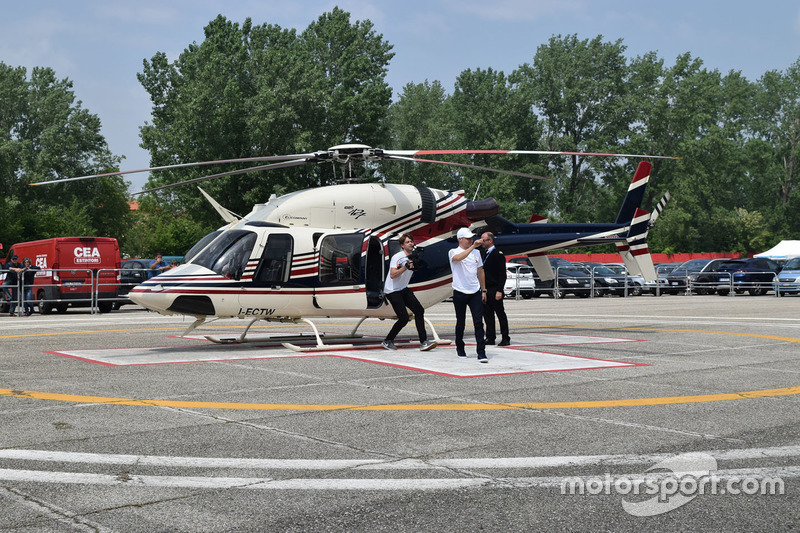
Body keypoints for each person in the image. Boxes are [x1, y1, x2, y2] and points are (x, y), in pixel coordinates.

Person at [382, 234, 436, 352]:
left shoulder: (413, 256)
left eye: (411, 241)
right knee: (403, 318)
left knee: (419, 310)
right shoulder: (398, 257)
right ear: (402, 245)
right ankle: (387, 340)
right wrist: (405, 267)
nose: (411, 243)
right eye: (407, 242)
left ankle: (423, 342)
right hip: (392, 290)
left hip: (403, 288)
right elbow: (392, 274)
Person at [448, 228, 488, 362]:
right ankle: (460, 347)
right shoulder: (453, 251)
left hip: (474, 291)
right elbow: (458, 258)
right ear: (460, 239)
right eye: (468, 238)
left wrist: (483, 290)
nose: (470, 240)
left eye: (471, 238)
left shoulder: (476, 253)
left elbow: (480, 271)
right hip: (459, 291)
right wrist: (472, 247)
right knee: (461, 322)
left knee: (478, 322)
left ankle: (481, 352)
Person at [480, 232, 511, 346]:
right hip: (485, 288)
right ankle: (490, 337)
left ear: (490, 241)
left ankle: (505, 337)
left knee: (500, 314)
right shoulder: (483, 253)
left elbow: (502, 274)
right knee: (487, 314)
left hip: (495, 288)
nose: (482, 242)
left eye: (484, 240)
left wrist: (499, 290)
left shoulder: (498, 254)